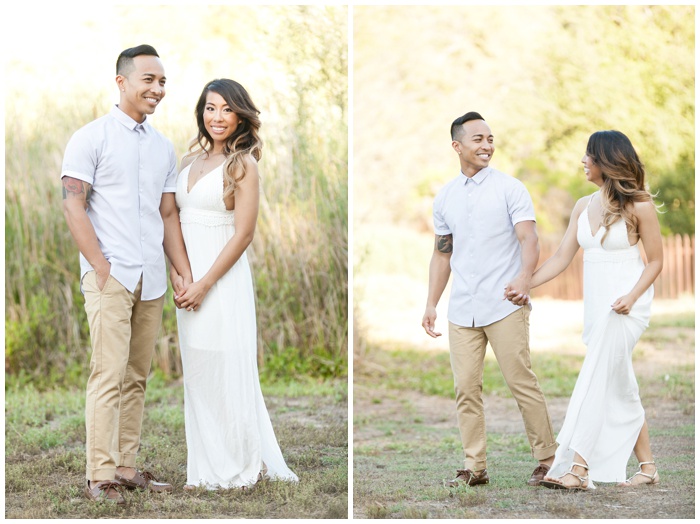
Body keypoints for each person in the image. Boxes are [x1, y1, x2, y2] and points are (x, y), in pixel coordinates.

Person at [62, 44, 193, 504]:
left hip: (152, 278)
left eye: (162, 82)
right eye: (148, 80)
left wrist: (181, 271)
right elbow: (73, 204)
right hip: (110, 276)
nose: (157, 89)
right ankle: (99, 475)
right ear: (122, 82)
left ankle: (126, 467)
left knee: (137, 374)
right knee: (108, 373)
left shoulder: (163, 146)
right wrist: (100, 266)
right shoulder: (90, 137)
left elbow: (168, 214)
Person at [506, 130, 663, 490]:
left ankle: (577, 468)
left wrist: (632, 296)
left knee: (595, 381)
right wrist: (525, 283)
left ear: (605, 161)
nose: (583, 162)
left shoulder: (639, 206)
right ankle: (648, 467)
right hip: (596, 308)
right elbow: (561, 258)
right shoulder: (582, 206)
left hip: (625, 307)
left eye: (588, 156)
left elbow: (655, 262)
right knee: (618, 381)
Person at [170, 78, 298, 490]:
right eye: (210, 108)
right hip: (188, 281)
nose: (217, 117)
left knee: (228, 365)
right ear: (201, 113)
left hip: (222, 281)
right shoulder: (187, 162)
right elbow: (170, 218)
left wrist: (205, 283)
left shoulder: (243, 164)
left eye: (226, 109)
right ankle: (204, 466)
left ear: (241, 114)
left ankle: (242, 463)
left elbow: (243, 234)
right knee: (199, 368)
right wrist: (181, 274)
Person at [421, 111, 557, 488]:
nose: (487, 146)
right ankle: (474, 467)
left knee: (521, 382)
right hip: (462, 308)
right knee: (465, 388)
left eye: (491, 139)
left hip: (505, 304)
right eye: (478, 139)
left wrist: (524, 279)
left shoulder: (510, 188)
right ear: (457, 146)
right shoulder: (445, 197)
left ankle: (548, 459)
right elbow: (442, 254)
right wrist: (432, 303)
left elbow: (530, 240)